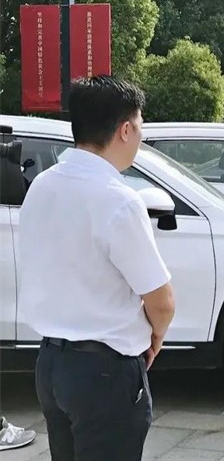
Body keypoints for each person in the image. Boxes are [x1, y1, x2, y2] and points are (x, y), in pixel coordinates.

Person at [18, 75, 175, 460]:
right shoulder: (118, 199)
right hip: (104, 372)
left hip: (51, 364)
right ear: (125, 129)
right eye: (140, 126)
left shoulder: (42, 184)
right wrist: (154, 338)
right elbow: (161, 300)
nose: (140, 135)